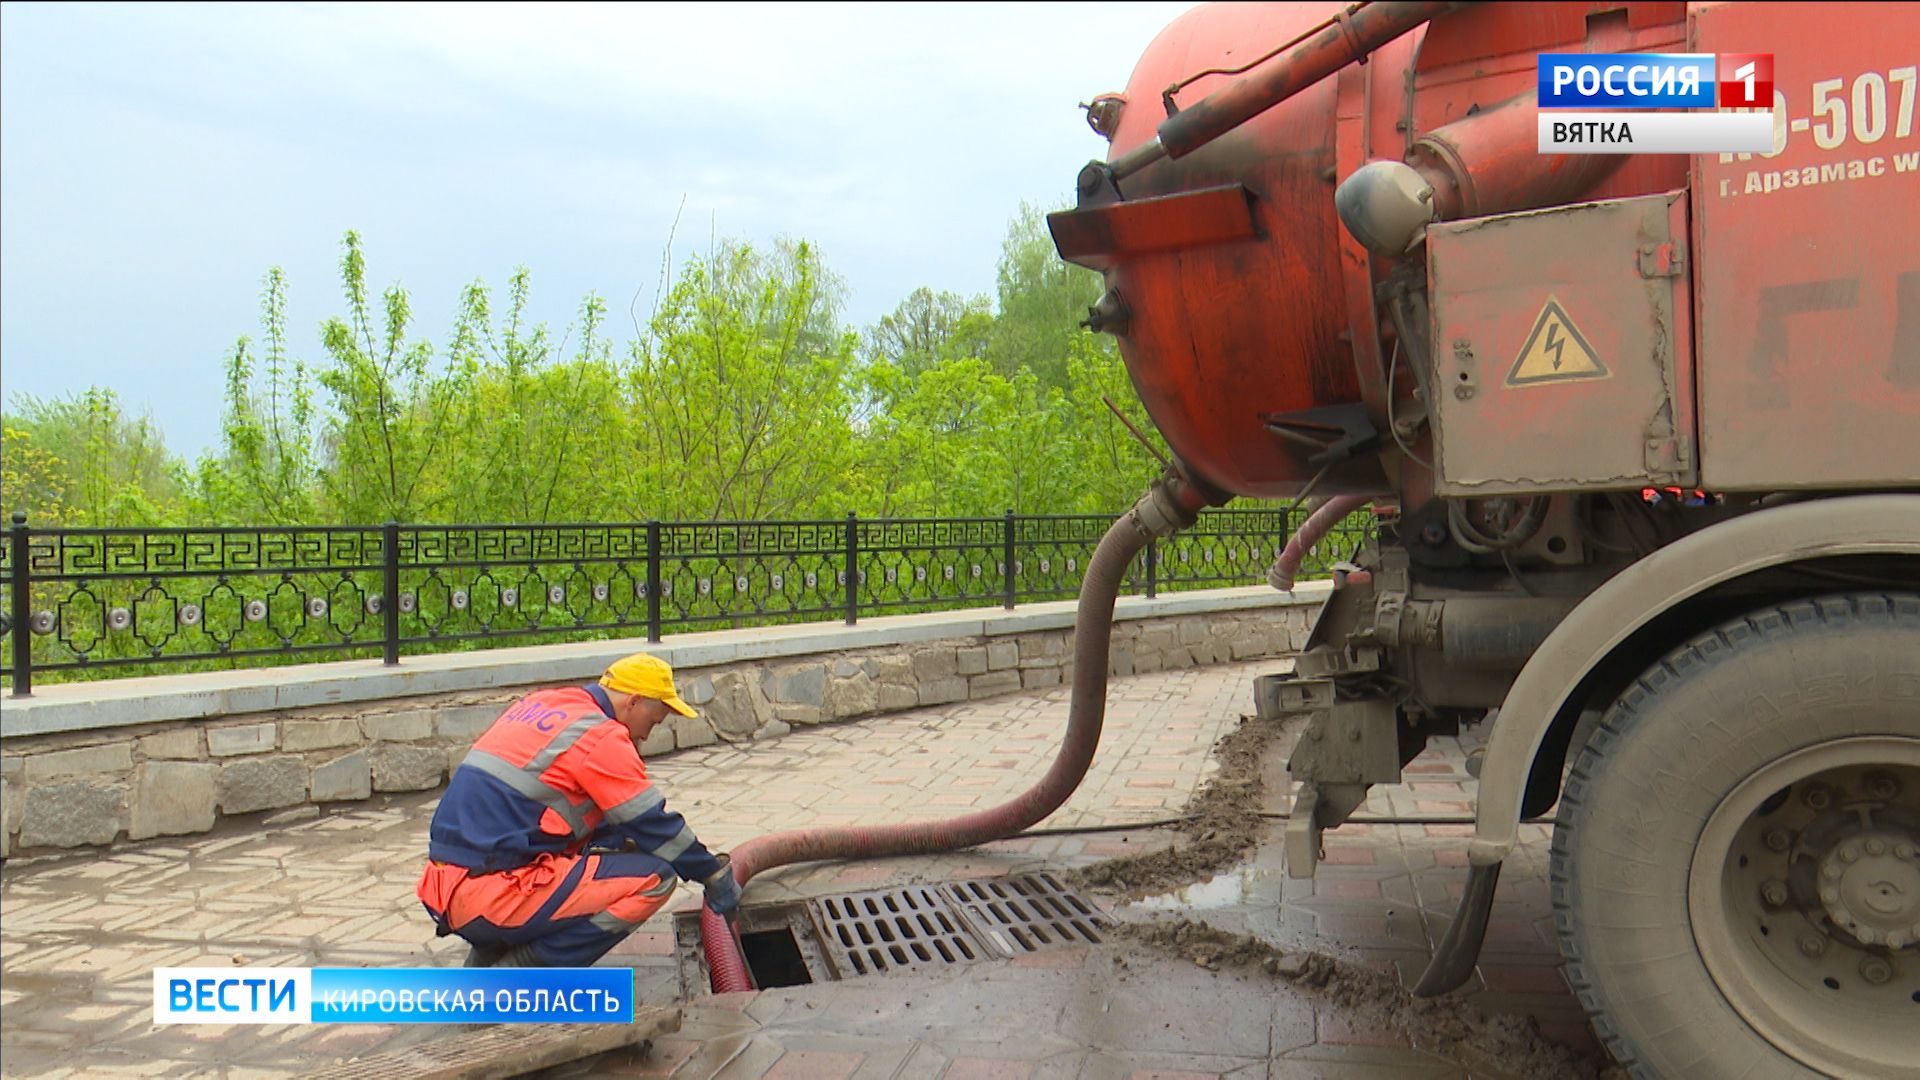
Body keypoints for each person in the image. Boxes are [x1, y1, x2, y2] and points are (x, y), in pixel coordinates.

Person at [416, 652, 741, 967]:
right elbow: (652, 823)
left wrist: (629, 840)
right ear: (634, 702)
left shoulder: (545, 703)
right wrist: (711, 873)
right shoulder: (600, 734)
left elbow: (593, 822)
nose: (646, 734)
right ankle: (518, 972)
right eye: (652, 722)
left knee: (599, 854)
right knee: (655, 878)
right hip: (491, 893)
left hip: (444, 884)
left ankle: (484, 962)